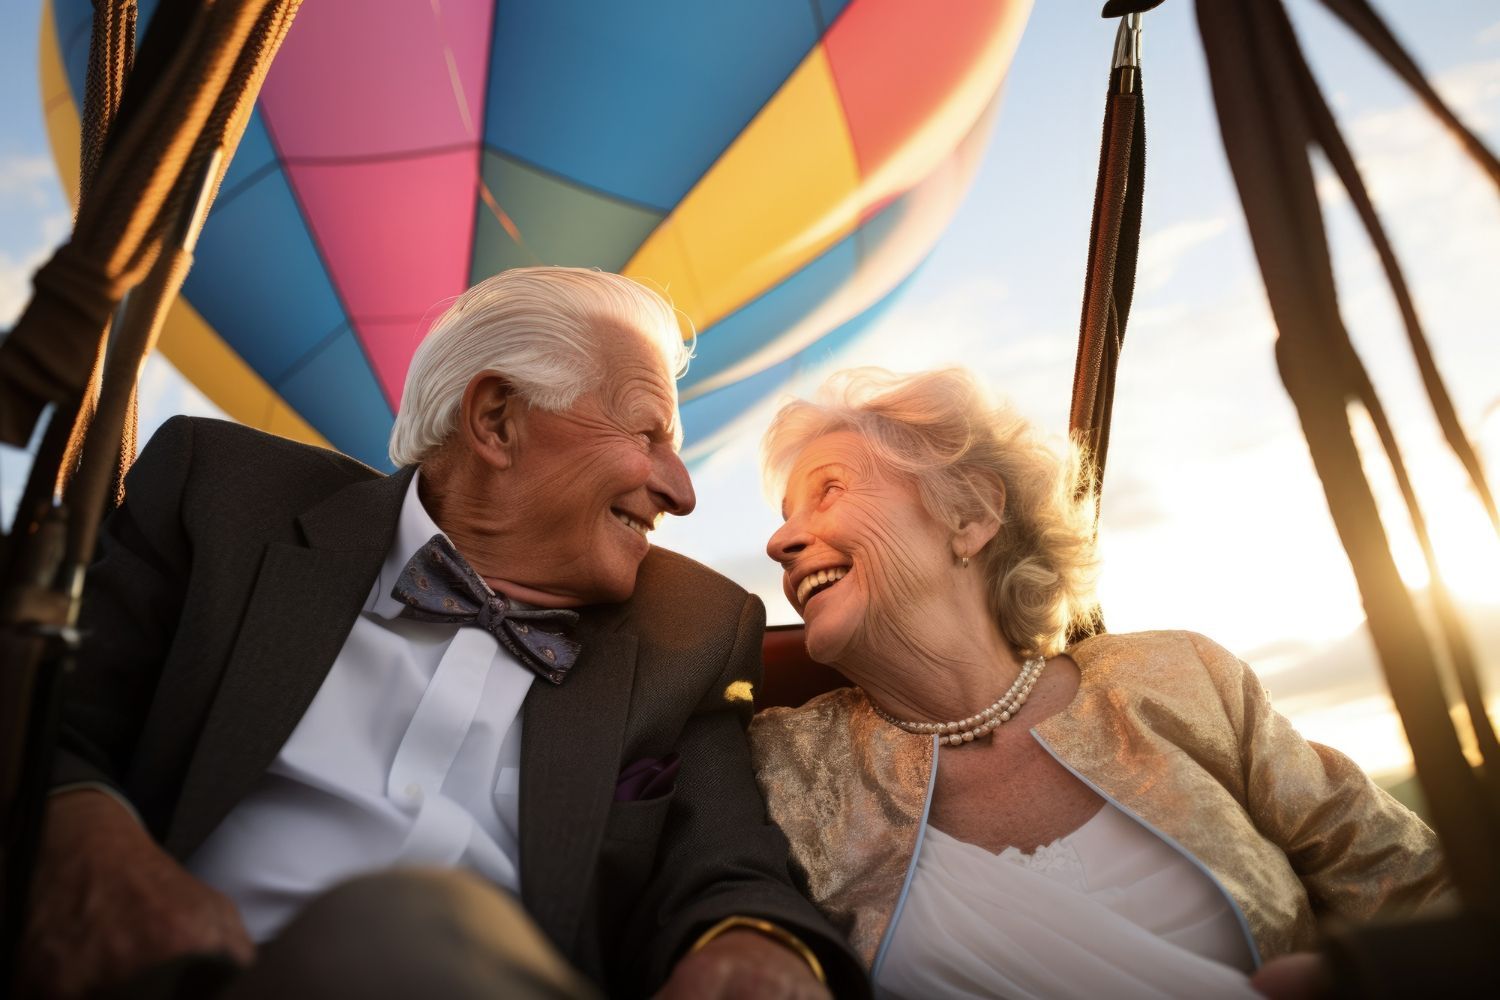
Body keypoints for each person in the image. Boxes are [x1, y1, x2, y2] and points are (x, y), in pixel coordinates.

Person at [22, 267, 864, 1000]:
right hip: (176, 974)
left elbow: (727, 863)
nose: (680, 492)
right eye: (647, 435)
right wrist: (76, 821)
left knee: (400, 926)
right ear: (496, 420)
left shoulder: (696, 628)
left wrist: (754, 948)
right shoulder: (225, 500)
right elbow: (43, 707)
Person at [749, 367, 1451, 1000]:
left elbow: (1421, 888)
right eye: (784, 520)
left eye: (829, 490)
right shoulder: (780, 768)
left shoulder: (1182, 679)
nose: (780, 543)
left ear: (968, 517)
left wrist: (1353, 972)